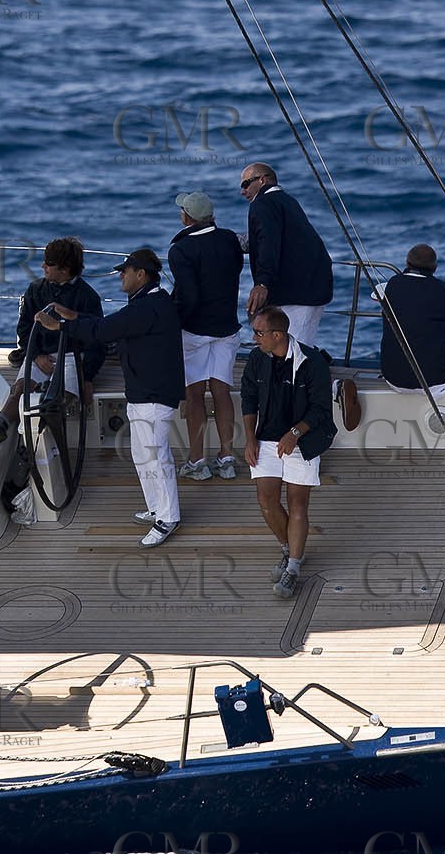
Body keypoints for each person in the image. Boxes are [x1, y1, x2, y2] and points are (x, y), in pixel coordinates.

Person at [36, 248, 184, 547]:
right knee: (143, 455)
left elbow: (105, 330)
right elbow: (115, 323)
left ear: (140, 274)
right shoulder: (148, 301)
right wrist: (75, 316)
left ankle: (168, 517)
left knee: (156, 457)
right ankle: (157, 507)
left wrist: (62, 325)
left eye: (125, 270)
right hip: (144, 391)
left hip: (153, 394)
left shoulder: (148, 307)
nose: (120, 275)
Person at [241, 306, 337, 600]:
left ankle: (293, 567)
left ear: (278, 335)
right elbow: (249, 399)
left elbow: (321, 409)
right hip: (267, 439)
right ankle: (289, 549)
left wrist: (294, 434)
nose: (254, 337)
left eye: (259, 332)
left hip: (303, 440)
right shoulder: (257, 359)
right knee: (266, 501)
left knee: (297, 503)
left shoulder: (312, 362)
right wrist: (249, 440)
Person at [168, 190, 244, 482]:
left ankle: (197, 461)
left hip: (195, 331)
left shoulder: (181, 250)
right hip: (227, 327)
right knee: (222, 392)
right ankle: (226, 458)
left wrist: (173, 323)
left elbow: (188, 295)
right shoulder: (229, 240)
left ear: (187, 217)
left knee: (195, 393)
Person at [2, 237, 104, 423]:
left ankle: (42, 442)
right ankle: (1, 430)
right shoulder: (35, 290)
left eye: (49, 263)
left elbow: (96, 341)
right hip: (39, 355)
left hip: (73, 357)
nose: (43, 266)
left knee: (56, 404)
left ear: (64, 269)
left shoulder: (88, 298)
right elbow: (25, 330)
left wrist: (87, 378)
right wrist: (36, 355)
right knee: (18, 393)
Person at [239, 162, 333, 344]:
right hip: (315, 285)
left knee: (291, 348)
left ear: (262, 180)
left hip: (297, 292)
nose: (243, 191)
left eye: (245, 184)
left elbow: (268, 242)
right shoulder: (287, 200)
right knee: (302, 346)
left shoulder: (262, 203)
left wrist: (262, 283)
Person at [377, 243, 445, 399]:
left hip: (393, 379)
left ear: (406, 263)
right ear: (434, 267)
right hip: (434, 383)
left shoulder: (392, 284)